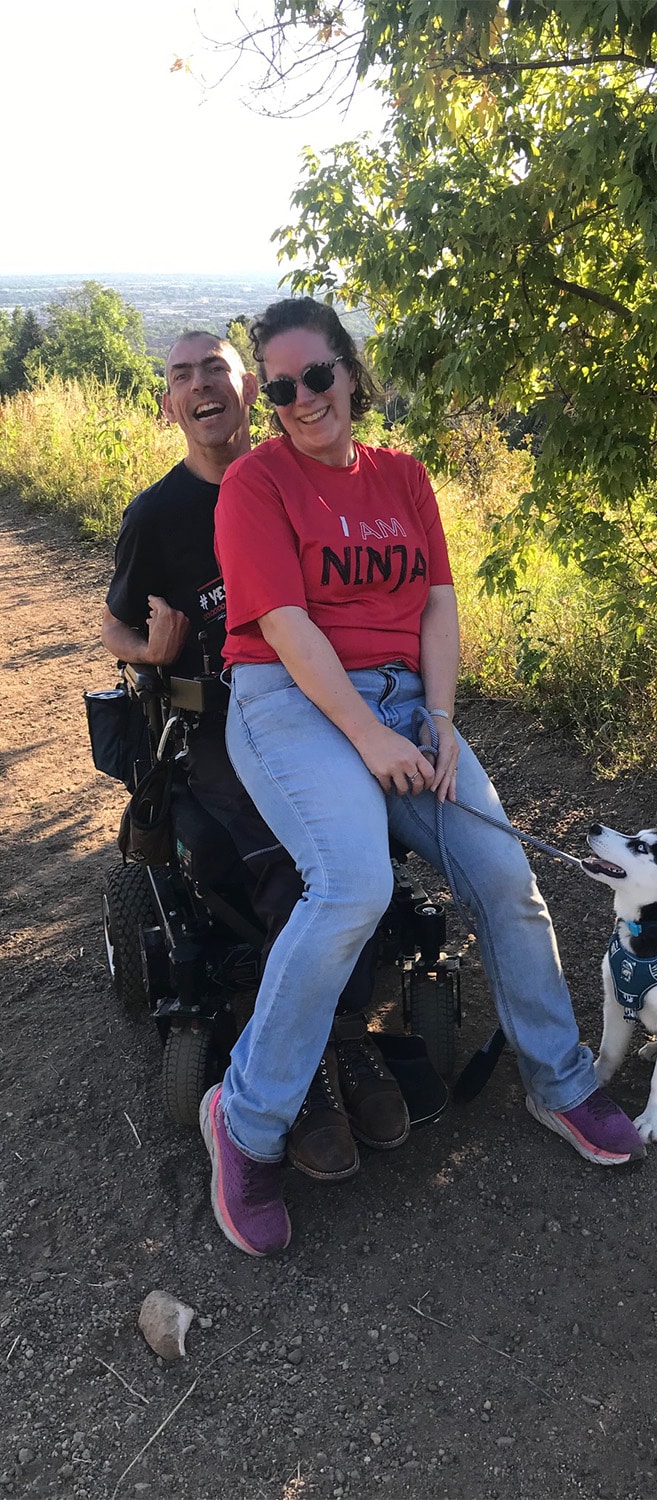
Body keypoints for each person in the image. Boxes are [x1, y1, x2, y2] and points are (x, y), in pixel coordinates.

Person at [202, 296, 646, 1258]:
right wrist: (371, 742)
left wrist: (438, 723)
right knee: (353, 883)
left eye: (317, 376)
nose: (302, 400)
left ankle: (559, 1081)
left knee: (505, 881)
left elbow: (438, 605)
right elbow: (286, 630)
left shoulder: (404, 479)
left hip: (407, 700)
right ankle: (243, 1122)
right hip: (288, 699)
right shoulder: (255, 485)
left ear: (351, 372)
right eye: (280, 388)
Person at [101, 330, 408, 1185]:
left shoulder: (297, 477)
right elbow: (114, 623)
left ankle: (342, 1034)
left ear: (252, 392)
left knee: (372, 847)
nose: (201, 386)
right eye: (181, 375)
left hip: (321, 704)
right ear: (170, 403)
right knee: (298, 865)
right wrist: (148, 653)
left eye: (218, 371)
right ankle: (310, 1067)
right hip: (216, 725)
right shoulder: (157, 516)